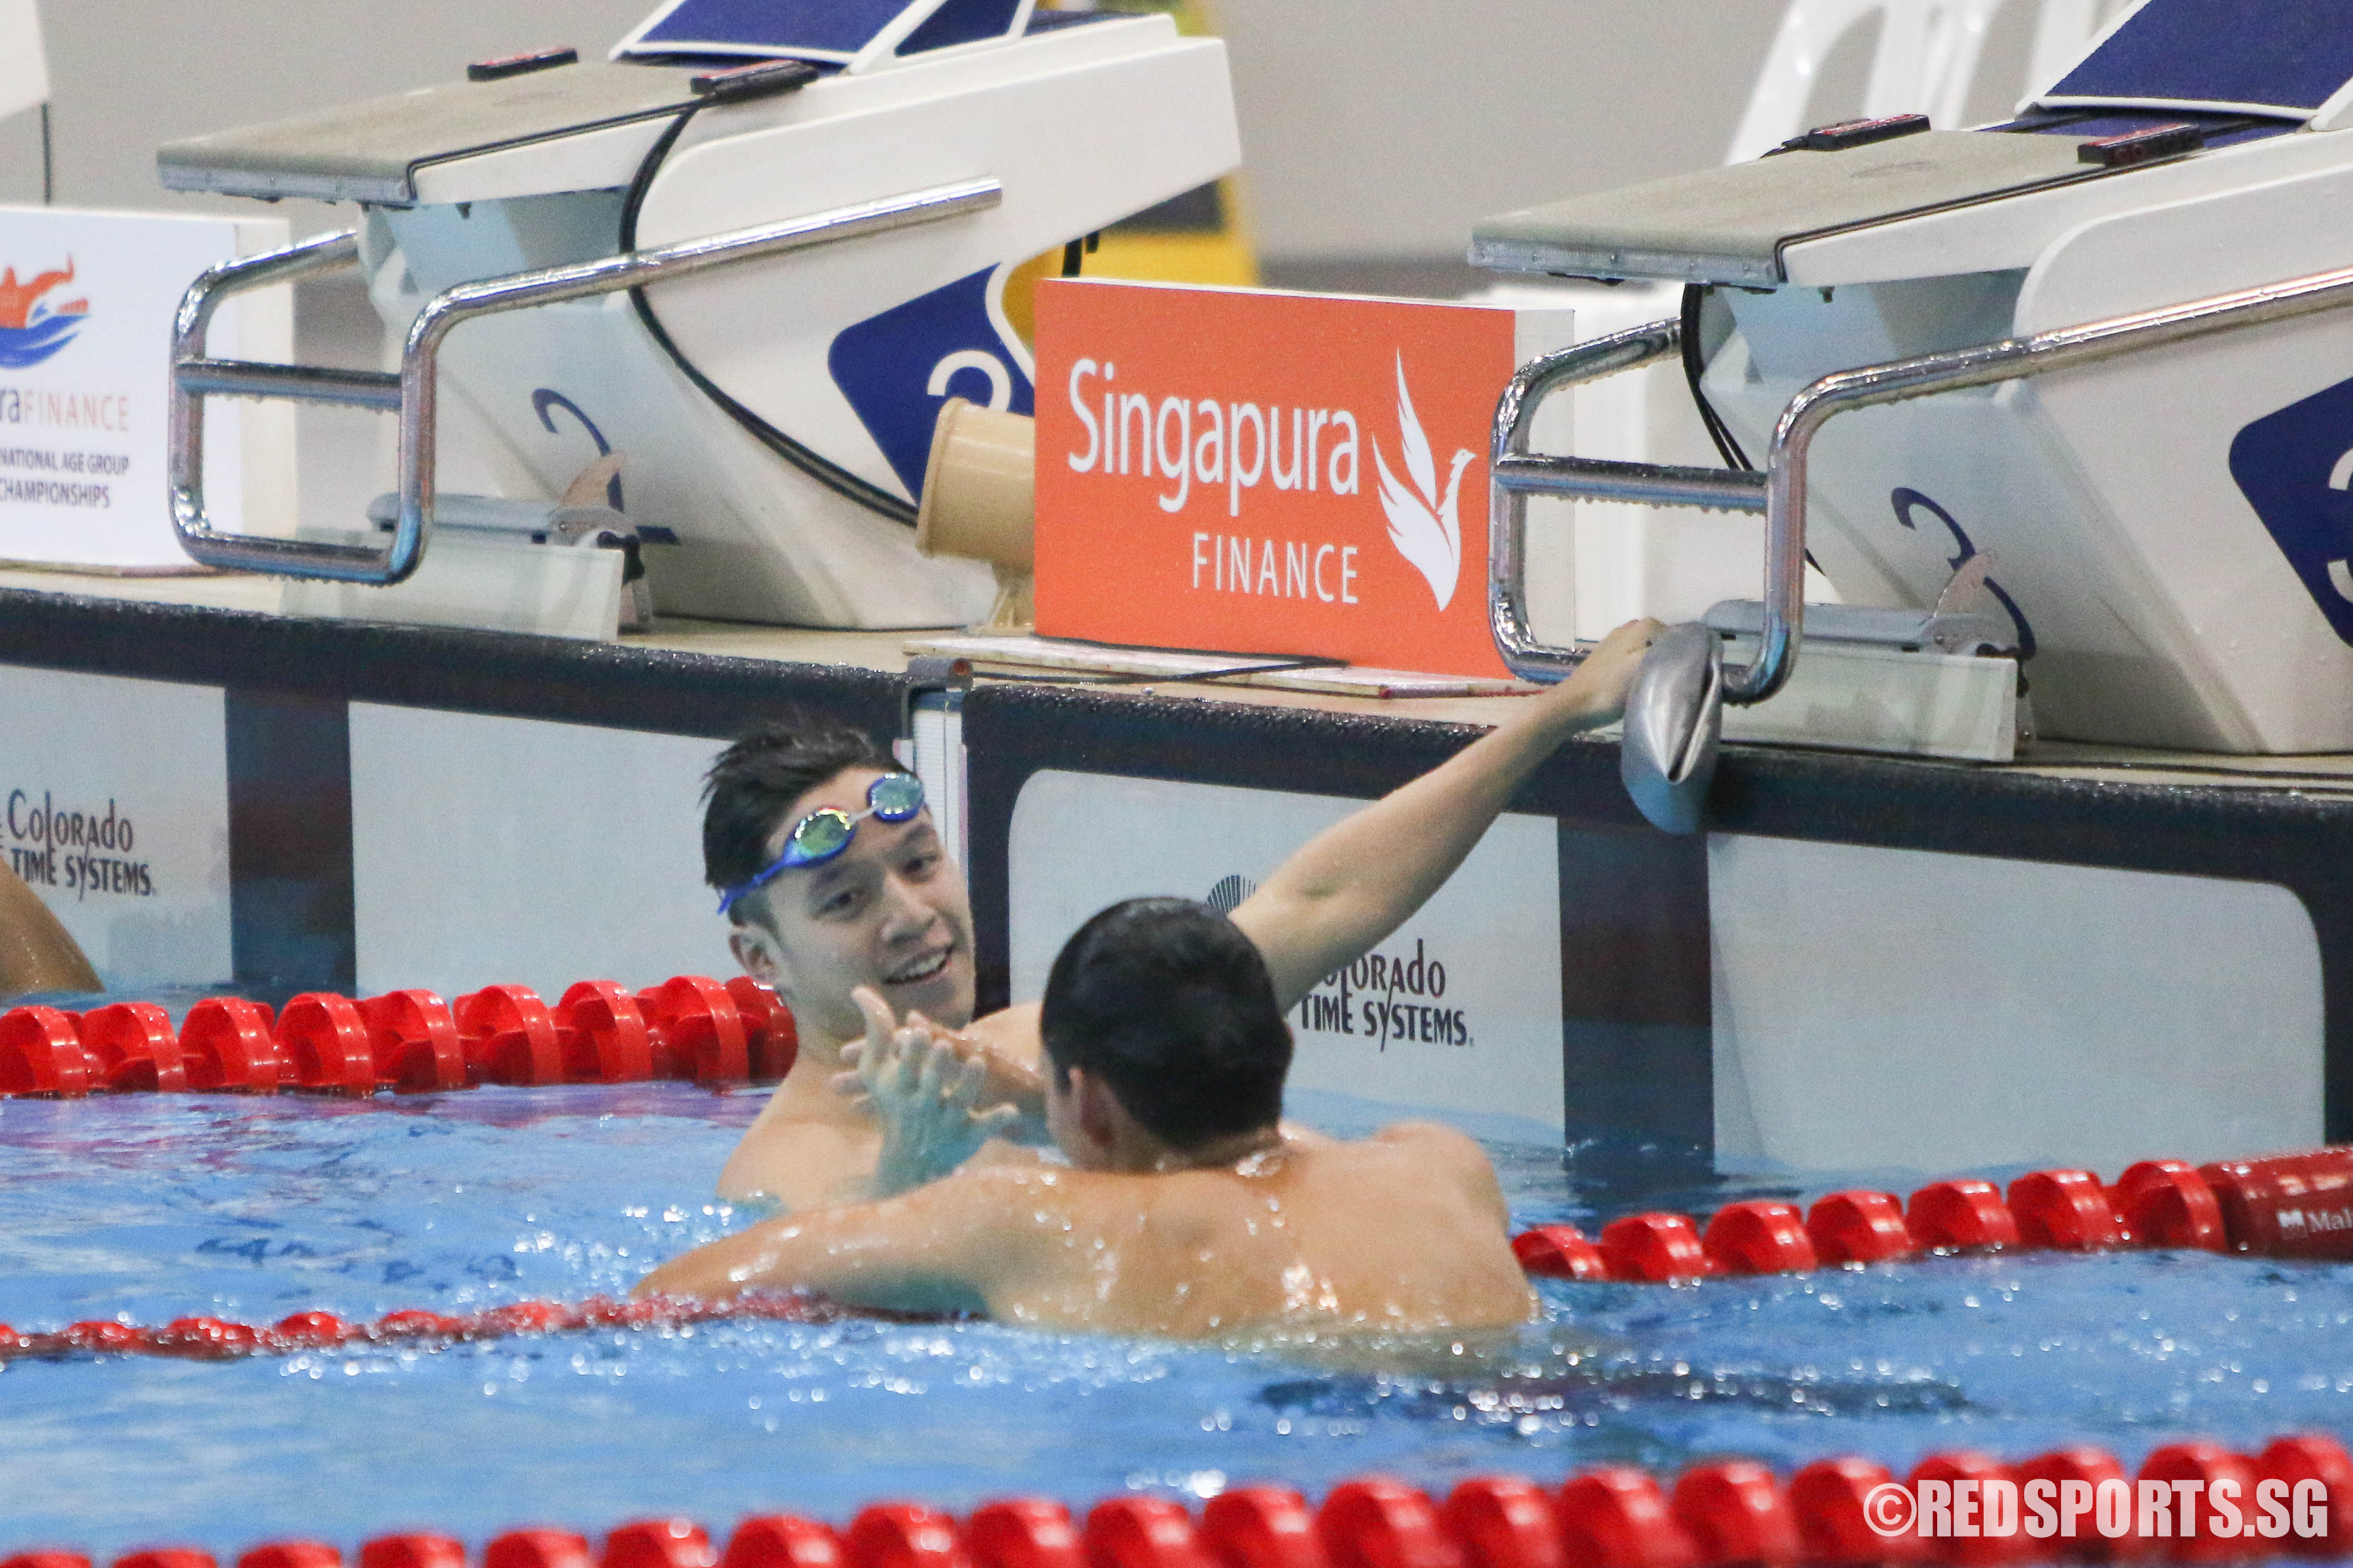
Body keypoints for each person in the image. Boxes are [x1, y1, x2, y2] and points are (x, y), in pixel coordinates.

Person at [707, 616, 1661, 1210]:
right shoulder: (780, 1170)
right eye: (847, 899)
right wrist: (912, 1165)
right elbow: (864, 1314)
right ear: (761, 954)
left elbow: (1318, 900)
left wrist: (1559, 711)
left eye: (920, 862)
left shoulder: (1050, 1042)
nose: (913, 914)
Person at [635, 897, 1537, 1337]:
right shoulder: (1438, 1165)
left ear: (1087, 1096)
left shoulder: (1031, 1219)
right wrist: (1044, 1105)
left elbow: (679, 1288)